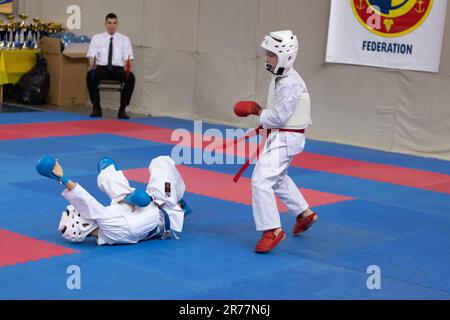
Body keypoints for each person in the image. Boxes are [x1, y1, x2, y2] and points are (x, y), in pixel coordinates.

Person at [233, 30, 318, 253]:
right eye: (267, 54)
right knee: (278, 177)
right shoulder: (282, 78)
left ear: (284, 56)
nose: (266, 58)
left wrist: (257, 111)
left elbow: (280, 116)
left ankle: (272, 230)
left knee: (261, 180)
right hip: (284, 135)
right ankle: (304, 213)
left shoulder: (290, 82)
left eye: (270, 55)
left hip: (286, 137)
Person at [36, 155, 192, 245]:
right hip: (162, 205)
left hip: (128, 206)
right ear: (83, 224)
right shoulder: (108, 225)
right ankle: (178, 203)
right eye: (80, 212)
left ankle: (118, 184)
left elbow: (91, 206)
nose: (81, 210)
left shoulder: (106, 230)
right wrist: (61, 178)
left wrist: (127, 200)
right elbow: (86, 199)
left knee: (106, 167)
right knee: (161, 162)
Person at [86, 13, 135, 119]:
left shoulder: (124, 39)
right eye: (109, 23)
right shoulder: (96, 38)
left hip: (118, 69)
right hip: (102, 68)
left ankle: (122, 109)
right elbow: (91, 57)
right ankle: (96, 107)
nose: (112, 25)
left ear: (117, 24)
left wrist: (127, 66)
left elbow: (128, 59)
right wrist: (92, 64)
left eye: (114, 23)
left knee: (130, 77)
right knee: (90, 75)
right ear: (105, 24)